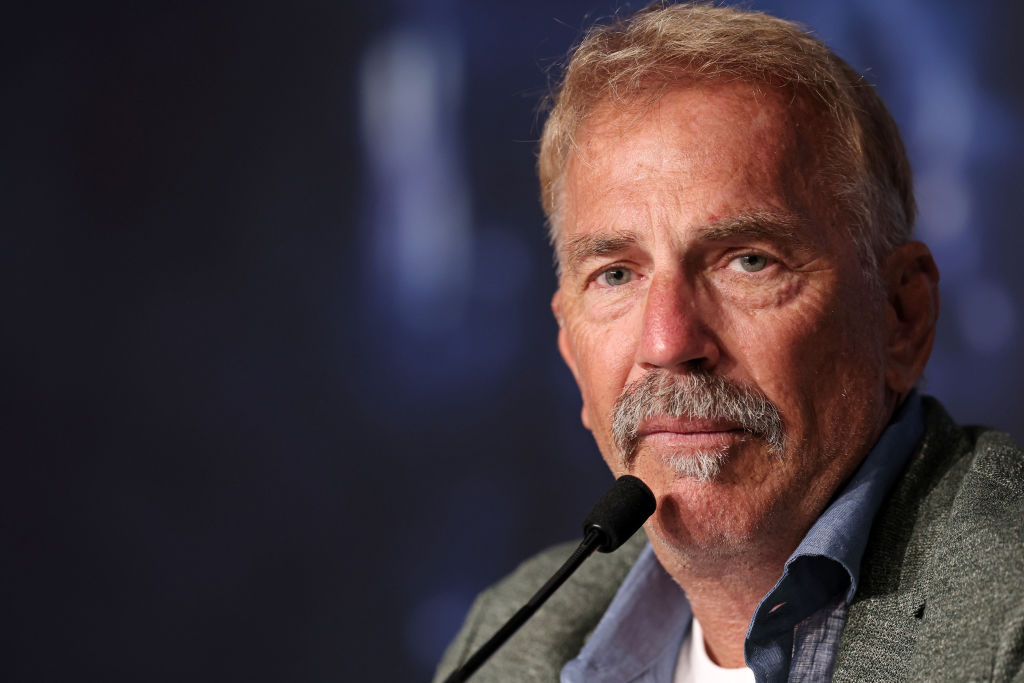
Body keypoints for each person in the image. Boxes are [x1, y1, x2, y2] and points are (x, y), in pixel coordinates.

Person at [435, 3, 1024, 681]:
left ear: (902, 316)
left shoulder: (1005, 622)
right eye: (616, 274)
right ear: (570, 349)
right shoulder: (508, 641)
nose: (667, 342)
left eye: (748, 261)